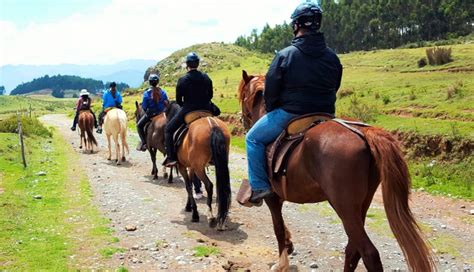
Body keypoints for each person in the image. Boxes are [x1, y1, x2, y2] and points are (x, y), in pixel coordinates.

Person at [246, 1, 343, 204]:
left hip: (292, 113)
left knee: (253, 139)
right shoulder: (332, 57)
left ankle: (260, 187)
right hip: (326, 115)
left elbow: (271, 92)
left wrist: (273, 109)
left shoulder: (285, 55)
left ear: (297, 25)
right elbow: (336, 86)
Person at [163, 52, 214, 167]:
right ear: (198, 64)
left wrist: (185, 105)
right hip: (206, 108)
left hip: (188, 109)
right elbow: (210, 95)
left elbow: (178, 100)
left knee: (168, 130)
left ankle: (171, 158)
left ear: (187, 65)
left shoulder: (183, 79)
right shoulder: (206, 77)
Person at [136, 74, 169, 151]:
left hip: (150, 114)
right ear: (158, 82)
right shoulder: (163, 92)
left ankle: (144, 143)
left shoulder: (146, 93)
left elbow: (144, 107)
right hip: (162, 114)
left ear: (149, 83)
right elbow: (167, 102)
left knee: (139, 126)